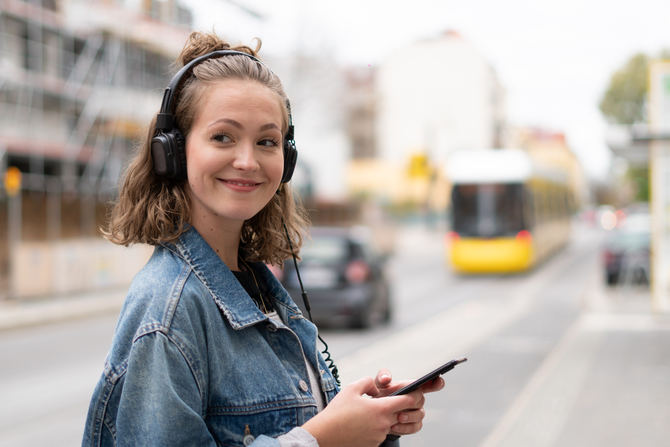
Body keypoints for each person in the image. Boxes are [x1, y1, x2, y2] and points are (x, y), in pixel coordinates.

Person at [82, 31, 444, 447]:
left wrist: (367, 424)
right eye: (223, 137)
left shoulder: (259, 288)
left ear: (286, 161)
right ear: (174, 151)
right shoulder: (169, 308)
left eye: (267, 141)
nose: (247, 161)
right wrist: (320, 440)